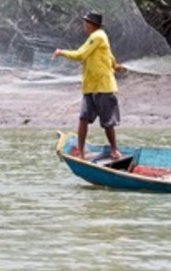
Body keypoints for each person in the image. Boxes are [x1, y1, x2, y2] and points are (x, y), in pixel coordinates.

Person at [52, 11, 124, 160]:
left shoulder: (97, 36)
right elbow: (108, 55)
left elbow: (80, 55)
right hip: (90, 86)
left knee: (107, 122)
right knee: (83, 118)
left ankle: (115, 150)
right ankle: (82, 152)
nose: (85, 26)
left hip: (103, 86)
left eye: (86, 23)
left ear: (92, 25)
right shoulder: (97, 37)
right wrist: (115, 65)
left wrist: (61, 52)